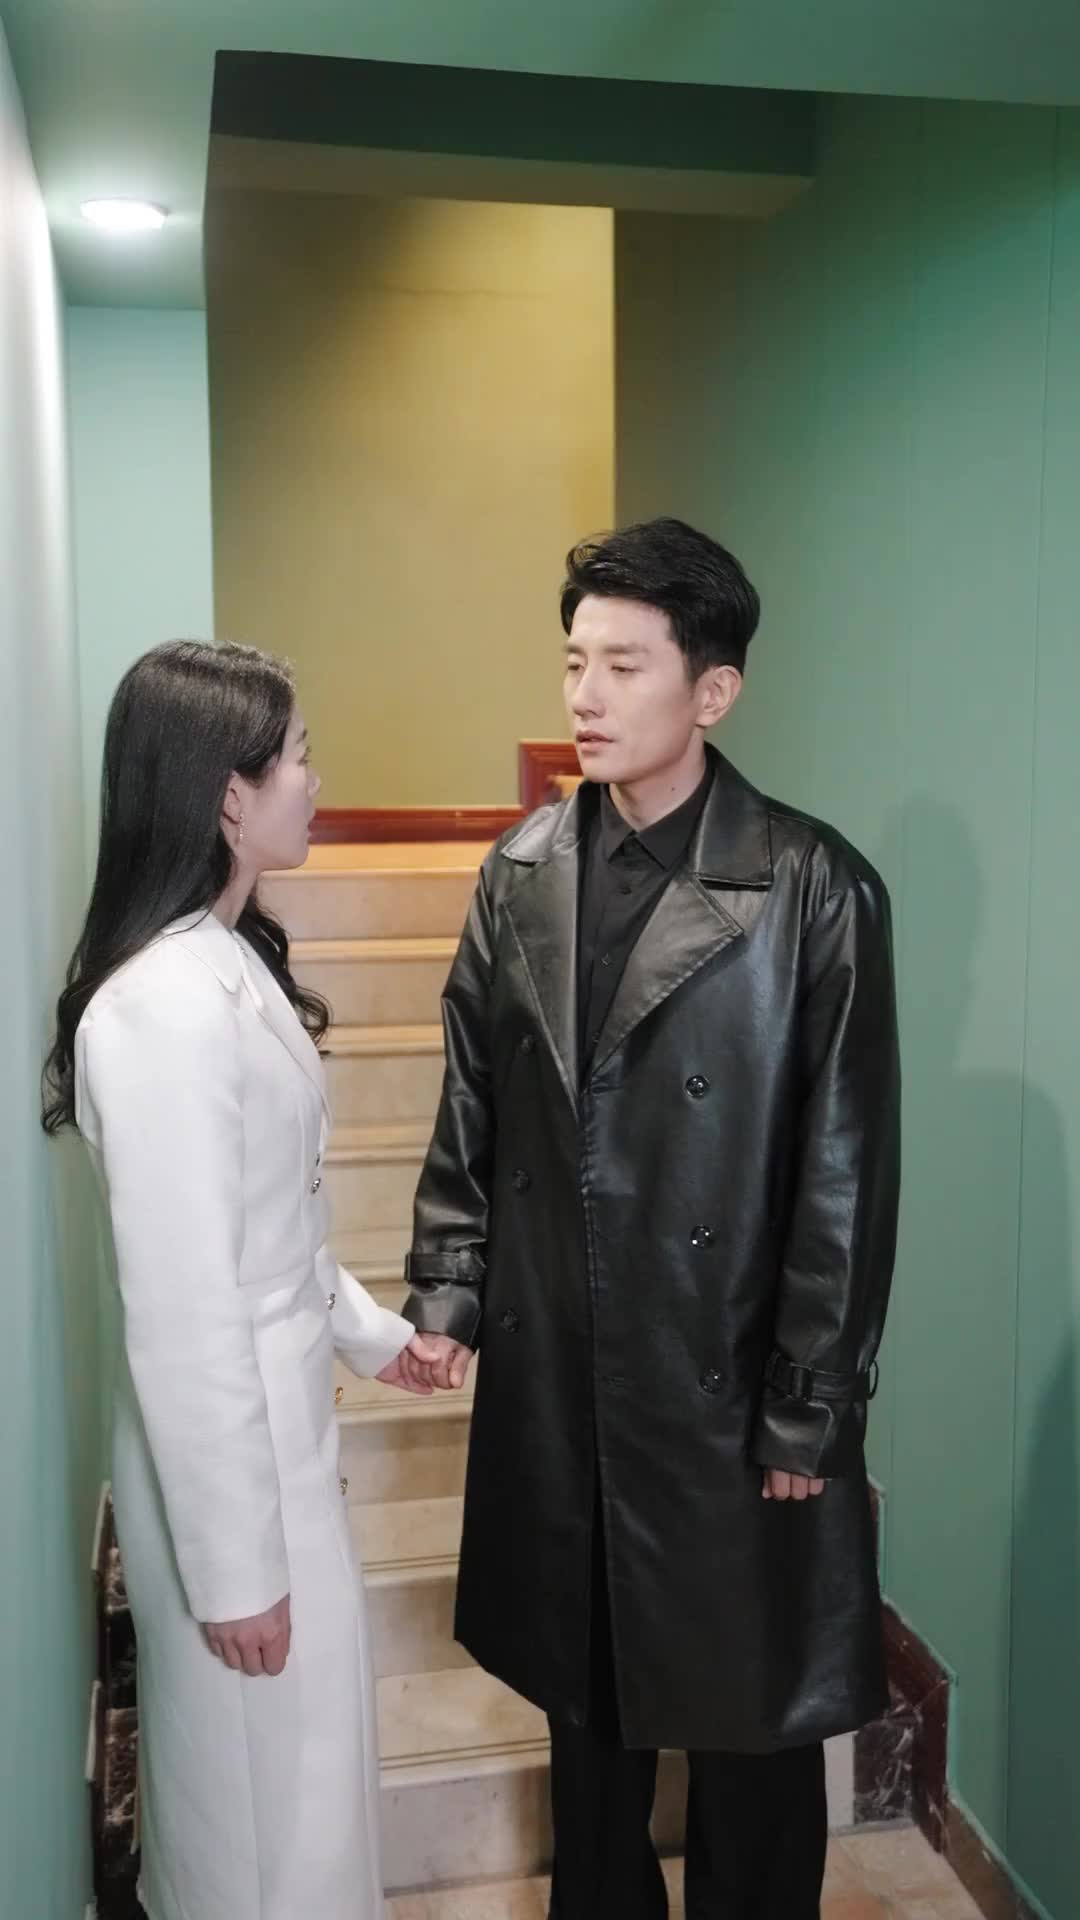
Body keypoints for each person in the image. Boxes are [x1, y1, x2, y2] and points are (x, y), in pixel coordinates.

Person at [401, 519, 901, 1919]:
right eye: (575, 661)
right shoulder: (518, 873)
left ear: (713, 689)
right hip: (566, 1373)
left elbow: (846, 1172)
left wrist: (810, 1406)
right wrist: (450, 1283)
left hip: (730, 1382)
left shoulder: (813, 888)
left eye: (624, 665)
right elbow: (472, 1097)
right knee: (590, 1723)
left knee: (752, 1733)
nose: (585, 695)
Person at [42, 640, 440, 1920]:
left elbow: (278, 1237)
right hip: (236, 1483)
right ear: (229, 792)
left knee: (304, 1800)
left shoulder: (224, 963)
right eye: (301, 755)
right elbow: (186, 1313)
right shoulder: (160, 1008)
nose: (317, 780)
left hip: (281, 1448)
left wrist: (375, 1338)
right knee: (259, 1827)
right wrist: (234, 1572)